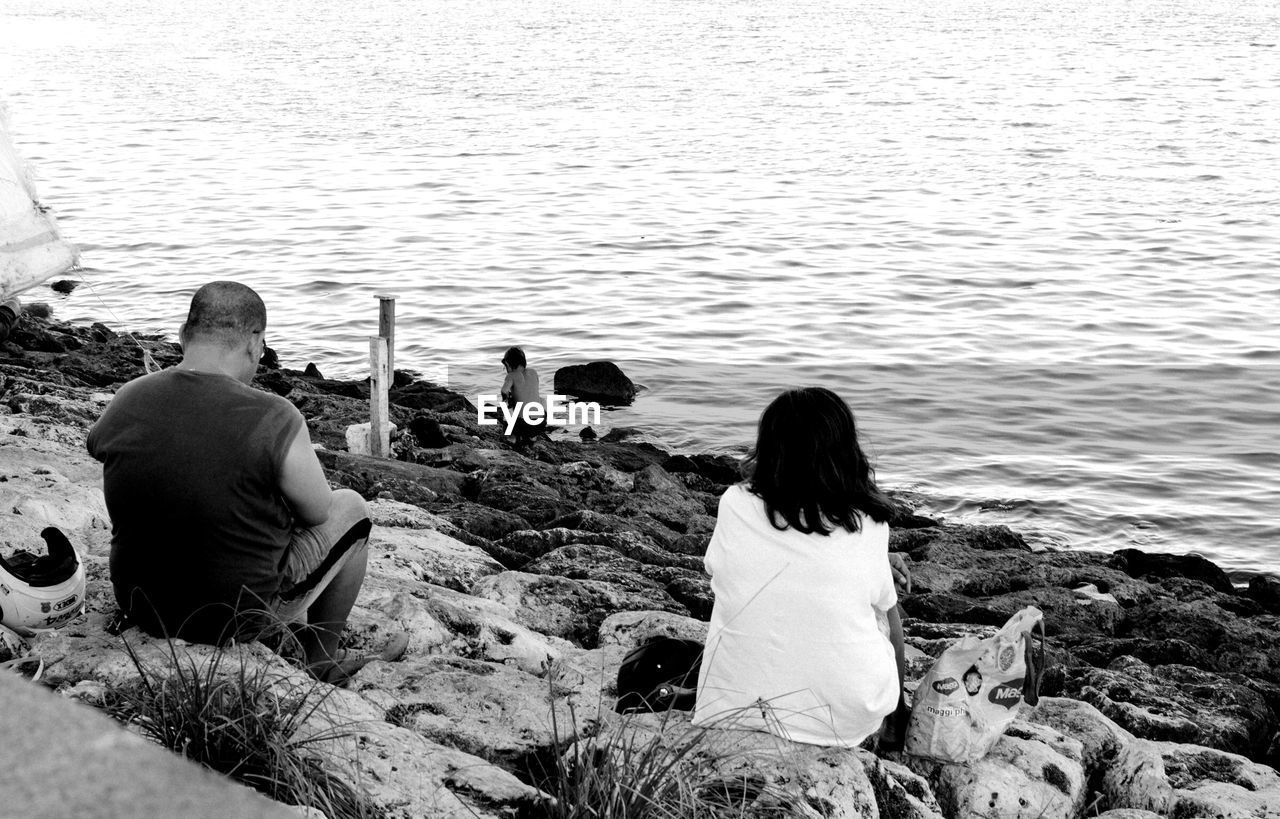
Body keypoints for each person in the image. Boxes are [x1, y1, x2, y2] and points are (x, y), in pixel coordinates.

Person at [87, 281, 405, 684]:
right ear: (256, 343)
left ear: (184, 335)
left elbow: (97, 446)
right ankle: (320, 660)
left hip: (142, 605)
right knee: (351, 509)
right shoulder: (276, 415)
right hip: (233, 619)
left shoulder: (128, 397)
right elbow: (318, 512)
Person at [691, 387, 909, 748]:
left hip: (731, 705)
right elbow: (867, 589)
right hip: (841, 717)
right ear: (845, 449)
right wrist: (873, 564)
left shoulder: (734, 503)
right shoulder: (868, 522)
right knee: (889, 606)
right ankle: (895, 719)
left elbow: (719, 570)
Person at [500, 345, 546, 446]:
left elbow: (504, 391)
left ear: (508, 363)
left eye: (505, 367)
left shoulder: (511, 375)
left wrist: (508, 401)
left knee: (507, 406)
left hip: (522, 425)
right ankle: (532, 437)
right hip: (539, 424)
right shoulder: (533, 372)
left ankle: (512, 437)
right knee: (542, 400)